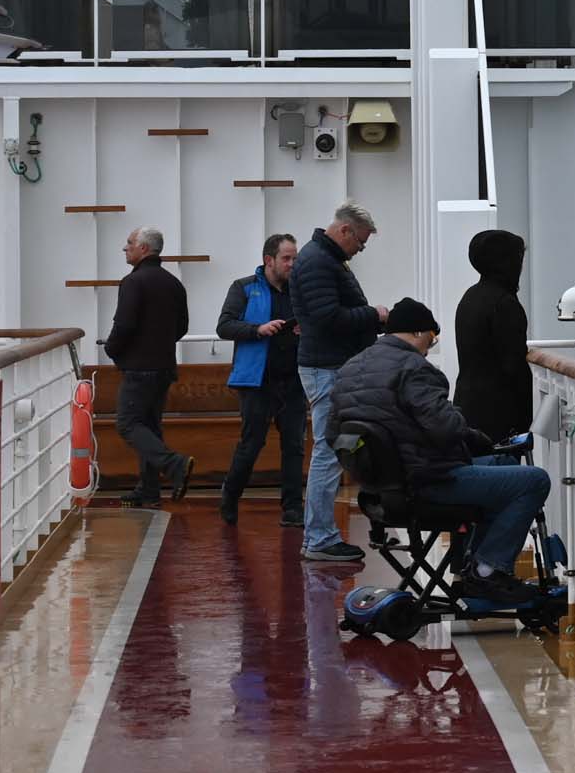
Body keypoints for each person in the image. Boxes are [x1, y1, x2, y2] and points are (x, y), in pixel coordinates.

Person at [330, 299, 551, 602]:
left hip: (379, 491)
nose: (429, 348)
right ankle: (488, 571)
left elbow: (333, 435)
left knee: (501, 462)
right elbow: (445, 428)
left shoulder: (350, 370)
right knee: (534, 480)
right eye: (432, 339)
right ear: (418, 333)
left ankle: (468, 568)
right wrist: (475, 436)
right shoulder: (415, 369)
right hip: (428, 483)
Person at [292, 201, 389, 564]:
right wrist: (374, 314)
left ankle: (319, 536)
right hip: (327, 368)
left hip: (329, 366)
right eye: (359, 241)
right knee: (329, 451)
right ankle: (319, 538)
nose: (360, 248)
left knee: (331, 450)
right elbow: (327, 318)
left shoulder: (324, 259)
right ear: (345, 230)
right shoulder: (319, 261)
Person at [215, 232, 305, 527]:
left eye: (295, 258)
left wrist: (305, 329)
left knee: (294, 446)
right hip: (257, 381)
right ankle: (230, 496)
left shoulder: (300, 290)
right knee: (252, 444)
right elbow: (224, 326)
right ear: (269, 260)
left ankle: (292, 508)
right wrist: (258, 329)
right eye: (286, 258)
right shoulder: (244, 287)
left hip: (293, 379)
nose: (292, 264)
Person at [103, 225, 193, 506]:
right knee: (150, 427)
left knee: (128, 424)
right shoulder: (174, 283)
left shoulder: (133, 282)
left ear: (143, 248)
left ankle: (175, 464)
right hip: (164, 367)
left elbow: (124, 325)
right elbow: (182, 326)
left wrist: (111, 349)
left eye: (130, 243)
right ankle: (149, 488)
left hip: (139, 369)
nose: (125, 247)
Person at [453, 229, 532, 440]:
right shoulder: (504, 303)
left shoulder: (471, 296)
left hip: (468, 406)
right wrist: (525, 416)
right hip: (498, 415)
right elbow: (514, 365)